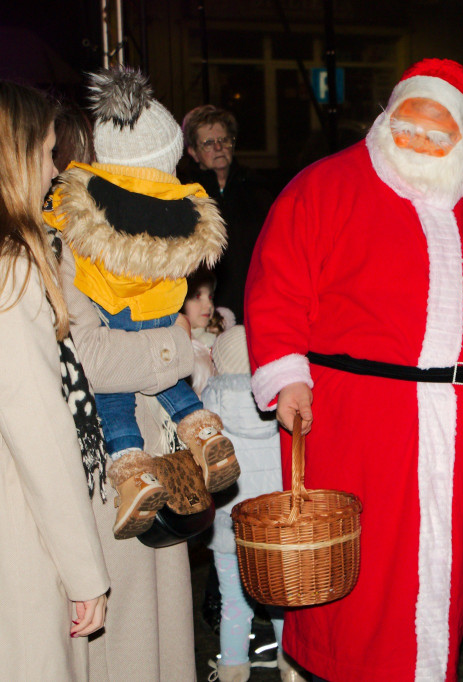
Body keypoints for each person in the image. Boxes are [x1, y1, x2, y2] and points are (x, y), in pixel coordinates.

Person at [244, 58, 463, 681]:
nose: (419, 139)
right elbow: (277, 285)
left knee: (450, 565)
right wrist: (286, 376)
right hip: (356, 418)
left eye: (437, 130)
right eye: (409, 123)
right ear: (387, 118)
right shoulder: (324, 186)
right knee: (356, 573)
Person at [49, 68, 211, 681]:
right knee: (128, 632)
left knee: (161, 615)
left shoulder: (129, 229)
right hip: (104, 454)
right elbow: (88, 353)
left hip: (153, 445)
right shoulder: (69, 233)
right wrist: (175, 352)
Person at [47, 67, 239, 540]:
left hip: (126, 358)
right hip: (151, 337)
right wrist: (175, 338)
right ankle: (204, 431)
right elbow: (98, 358)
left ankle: (132, 472)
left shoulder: (80, 212)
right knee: (146, 387)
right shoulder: (180, 208)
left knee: (117, 403)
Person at [0, 78, 109, 682]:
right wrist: (84, 572)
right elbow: (39, 430)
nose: (53, 169)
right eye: (45, 152)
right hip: (17, 531)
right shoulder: (12, 269)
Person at [202, 326, 303, 682]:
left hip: (228, 523)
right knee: (280, 599)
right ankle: (290, 666)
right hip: (270, 526)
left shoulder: (209, 400)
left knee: (234, 601)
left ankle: (232, 668)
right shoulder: (276, 403)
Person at [181, 105, 274, 322]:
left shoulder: (257, 189)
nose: (219, 147)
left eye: (224, 140)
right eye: (208, 143)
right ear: (193, 151)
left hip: (254, 304)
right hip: (207, 308)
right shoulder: (186, 195)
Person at [182, 267, 234, 397]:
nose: (208, 305)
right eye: (197, 296)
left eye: (210, 297)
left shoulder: (222, 339)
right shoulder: (180, 345)